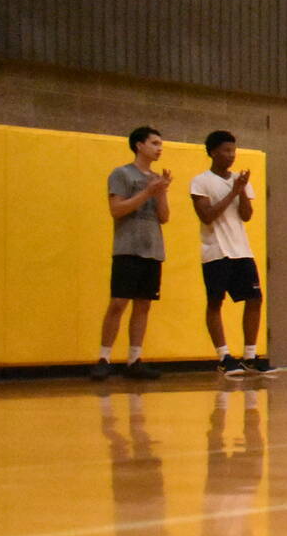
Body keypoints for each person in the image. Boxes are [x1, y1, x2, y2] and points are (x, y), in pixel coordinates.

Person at [95, 125, 172, 380]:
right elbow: (117, 209)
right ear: (139, 145)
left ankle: (134, 359)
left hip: (152, 250)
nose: (159, 148)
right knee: (118, 303)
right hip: (127, 248)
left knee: (143, 305)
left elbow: (164, 217)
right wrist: (147, 192)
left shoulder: (155, 178)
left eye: (161, 144)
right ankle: (104, 357)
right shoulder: (121, 174)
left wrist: (160, 193)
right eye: (155, 143)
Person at [191, 131, 269, 376]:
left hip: (241, 250)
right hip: (215, 251)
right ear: (213, 152)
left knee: (255, 299)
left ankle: (249, 355)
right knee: (215, 302)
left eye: (233, 151)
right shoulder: (200, 181)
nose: (231, 155)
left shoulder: (240, 181)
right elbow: (207, 215)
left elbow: (246, 215)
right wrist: (233, 192)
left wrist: (242, 190)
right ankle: (224, 356)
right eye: (226, 150)